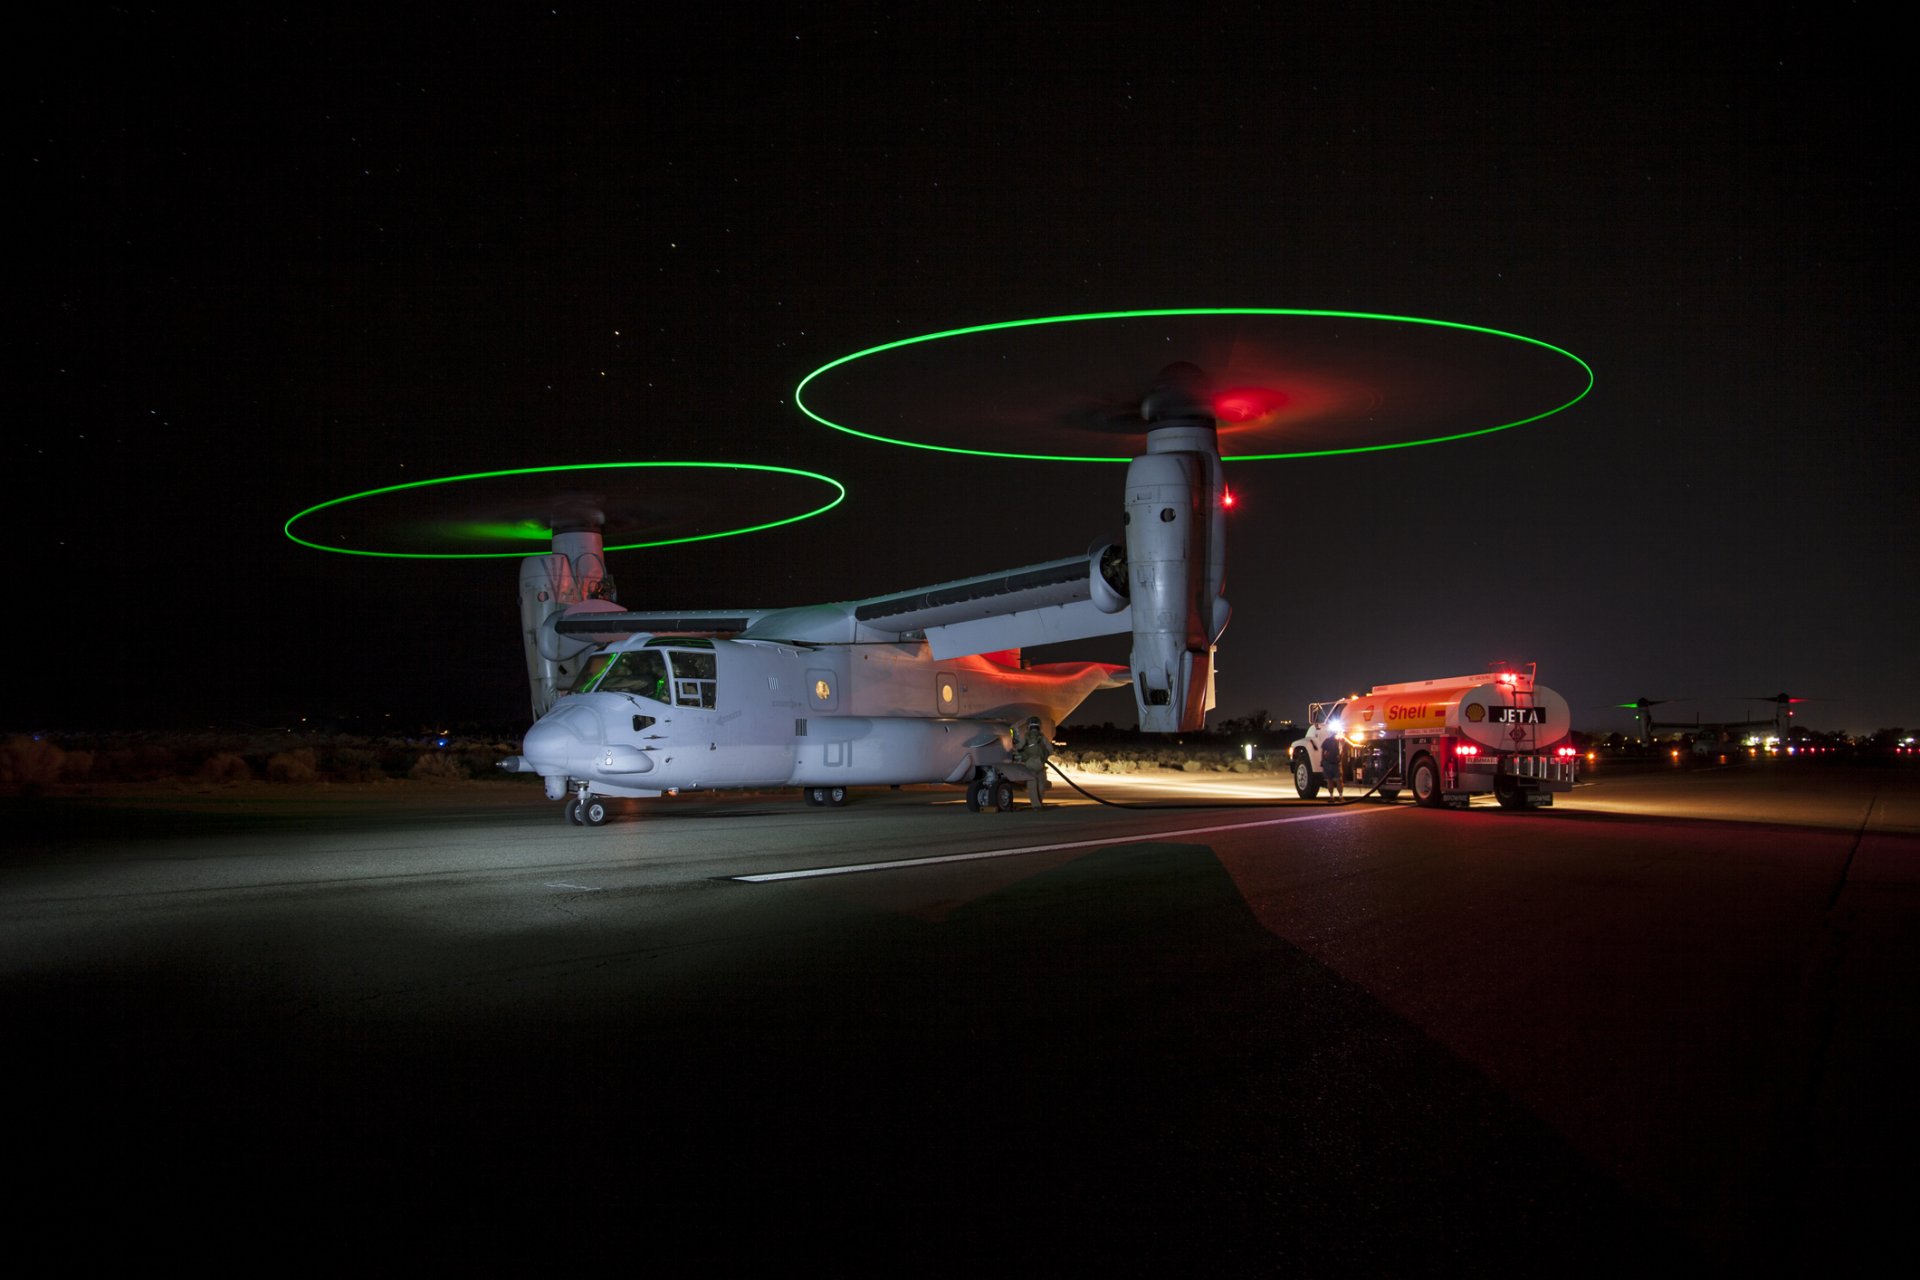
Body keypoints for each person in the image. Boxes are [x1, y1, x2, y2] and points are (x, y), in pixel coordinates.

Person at [1014, 716, 1052, 809]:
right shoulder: (1042, 737)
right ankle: (1039, 803)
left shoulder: (1026, 737)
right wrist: (1044, 757)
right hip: (1040, 765)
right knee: (1041, 786)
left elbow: (1018, 748)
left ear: (1028, 726)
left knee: (1032, 786)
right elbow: (1050, 749)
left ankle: (1036, 805)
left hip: (1029, 765)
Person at [1321, 731, 1344, 801]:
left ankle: (1333, 797)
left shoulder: (1327, 741)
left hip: (1330, 763)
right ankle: (1339, 797)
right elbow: (1342, 751)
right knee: (1337, 780)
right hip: (1334, 763)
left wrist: (1322, 760)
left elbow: (1323, 751)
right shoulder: (1340, 741)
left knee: (1331, 780)